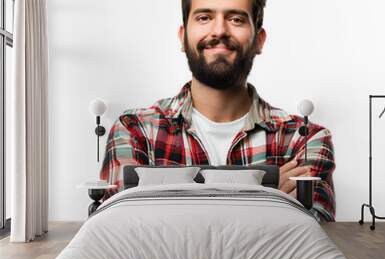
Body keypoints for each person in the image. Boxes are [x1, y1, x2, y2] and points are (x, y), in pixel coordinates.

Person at [100, 0, 336, 222]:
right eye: (204, 17)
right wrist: (268, 195)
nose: (219, 30)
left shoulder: (304, 139)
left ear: (259, 40)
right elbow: (120, 227)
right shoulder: (134, 131)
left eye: (236, 19)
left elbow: (311, 232)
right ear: (183, 38)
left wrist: (169, 205)